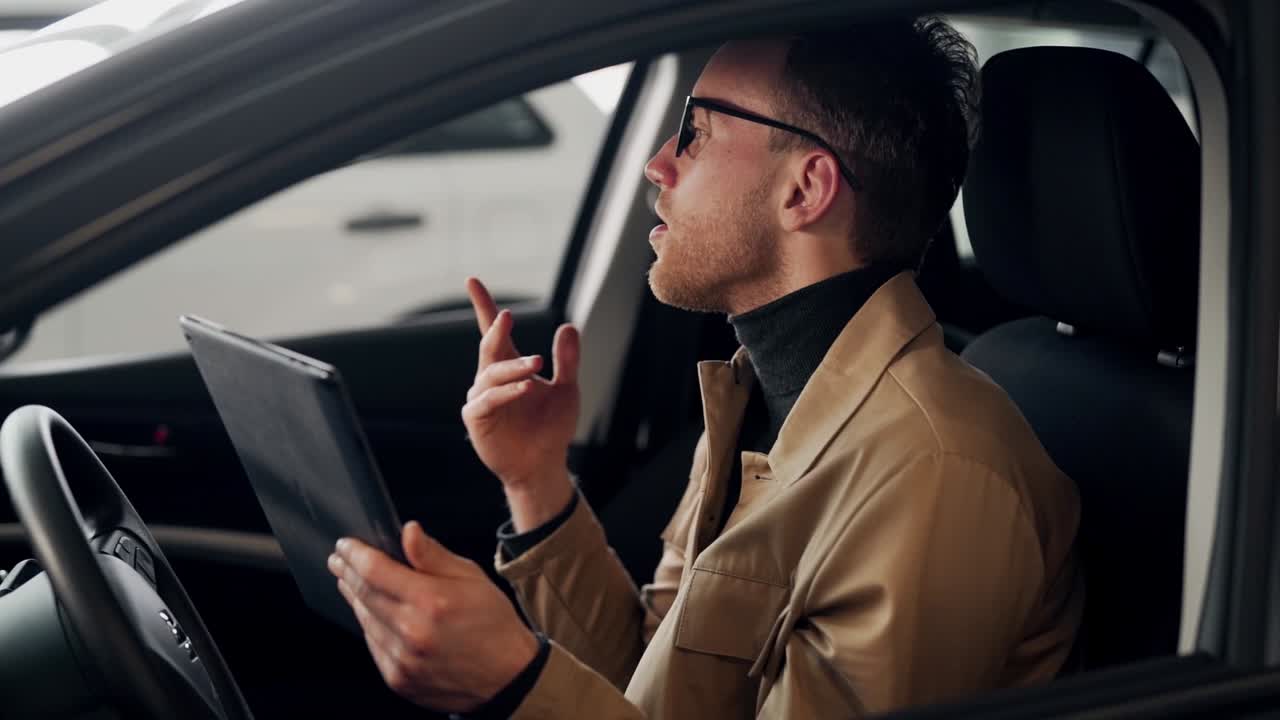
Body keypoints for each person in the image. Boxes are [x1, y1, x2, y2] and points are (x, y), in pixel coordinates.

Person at [326, 16, 1084, 719]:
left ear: (806, 188)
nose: (658, 164)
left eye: (695, 130)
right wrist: (536, 480)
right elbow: (651, 683)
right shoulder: (766, 391)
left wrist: (518, 684)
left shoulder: (936, 474)